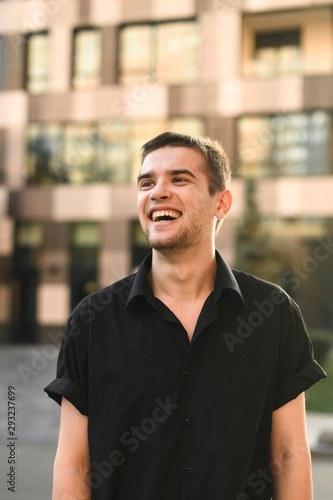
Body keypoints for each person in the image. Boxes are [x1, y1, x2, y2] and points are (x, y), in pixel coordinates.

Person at [45, 131, 327, 500]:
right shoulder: (92, 320)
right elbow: (73, 463)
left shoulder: (272, 313)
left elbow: (289, 455)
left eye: (179, 179)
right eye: (147, 182)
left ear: (221, 203)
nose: (157, 191)